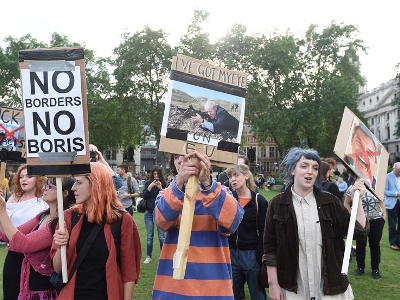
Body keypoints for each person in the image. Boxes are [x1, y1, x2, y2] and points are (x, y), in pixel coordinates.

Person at [263, 147, 368, 300]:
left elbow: (359, 232)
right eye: (304, 166)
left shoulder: (330, 201)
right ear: (292, 170)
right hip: (294, 288)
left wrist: (357, 201)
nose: (310, 172)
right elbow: (269, 248)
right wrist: (273, 284)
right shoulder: (277, 204)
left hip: (330, 288)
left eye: (315, 168)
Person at [152, 151, 244, 299]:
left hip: (212, 290)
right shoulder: (167, 193)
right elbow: (161, 221)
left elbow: (233, 222)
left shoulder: (221, 191)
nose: (183, 160)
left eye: (189, 155)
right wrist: (179, 184)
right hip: (173, 289)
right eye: (177, 157)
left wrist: (207, 184)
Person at [51, 162, 142, 300]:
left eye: (78, 182)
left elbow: (129, 272)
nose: (73, 188)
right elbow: (58, 268)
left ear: (96, 184)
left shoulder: (123, 220)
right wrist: (60, 246)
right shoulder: (68, 217)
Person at [0, 177, 75, 300]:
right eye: (45, 185)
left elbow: (23, 244)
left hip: (43, 290)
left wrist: (3, 211)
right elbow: (7, 236)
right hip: (29, 286)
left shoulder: (59, 223)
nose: (44, 188)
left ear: (65, 193)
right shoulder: (43, 215)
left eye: (50, 186)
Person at [3, 164, 48, 300]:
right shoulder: (13, 198)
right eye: (21, 177)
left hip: (34, 257)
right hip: (13, 254)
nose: (24, 179)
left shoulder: (45, 200)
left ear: (38, 179)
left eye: (29, 176)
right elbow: (3, 228)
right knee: (10, 293)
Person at [227, 164, 267, 300]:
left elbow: (265, 232)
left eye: (236, 175)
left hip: (251, 255)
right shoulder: (229, 200)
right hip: (232, 254)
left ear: (246, 176)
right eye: (230, 176)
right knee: (231, 295)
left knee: (257, 295)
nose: (233, 179)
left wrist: (258, 256)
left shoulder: (258, 201)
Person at [344, 180, 385, 279]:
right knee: (360, 245)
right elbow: (346, 204)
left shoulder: (375, 187)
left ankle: (375, 269)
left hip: (376, 220)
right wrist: (352, 216)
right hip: (360, 222)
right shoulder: (352, 188)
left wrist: (384, 216)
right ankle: (360, 268)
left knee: (375, 245)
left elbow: (381, 201)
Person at [141, 166, 166, 264]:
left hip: (160, 212)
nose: (156, 176)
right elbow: (143, 196)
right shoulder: (148, 183)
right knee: (149, 236)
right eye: (154, 174)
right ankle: (149, 256)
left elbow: (167, 198)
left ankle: (164, 256)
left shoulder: (164, 184)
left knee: (161, 237)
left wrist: (161, 188)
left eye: (157, 174)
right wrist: (150, 187)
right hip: (149, 212)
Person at [344, 124, 379, 189]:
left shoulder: (378, 188)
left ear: (375, 162)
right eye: (359, 142)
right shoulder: (346, 161)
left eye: (370, 153)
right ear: (352, 141)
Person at [384, 162, 400, 250]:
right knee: (392, 224)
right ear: (394, 169)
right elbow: (385, 192)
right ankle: (394, 243)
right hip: (392, 203)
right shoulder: (387, 176)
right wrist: (396, 193)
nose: (399, 174)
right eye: (398, 172)